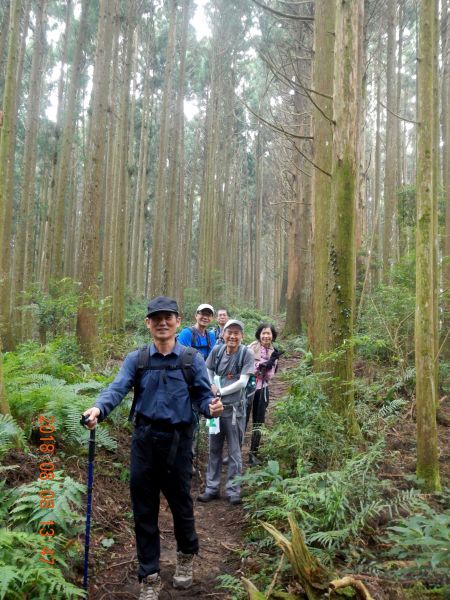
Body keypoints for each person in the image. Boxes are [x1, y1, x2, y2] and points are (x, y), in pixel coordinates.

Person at [82, 297, 223, 600]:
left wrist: (211, 408)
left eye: (167, 317)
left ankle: (186, 554)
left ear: (177, 320)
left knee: (181, 505)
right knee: (144, 511)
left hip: (179, 443)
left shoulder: (190, 359)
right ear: (147, 323)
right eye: (155, 318)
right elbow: (117, 388)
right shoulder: (138, 359)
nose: (162, 322)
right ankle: (150, 574)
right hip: (144, 442)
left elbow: (201, 395)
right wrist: (98, 409)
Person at [198, 319, 254, 505]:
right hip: (215, 410)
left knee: (234, 451)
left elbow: (243, 382)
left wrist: (221, 391)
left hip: (234, 411)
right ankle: (211, 488)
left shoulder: (246, 354)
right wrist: (211, 384)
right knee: (214, 449)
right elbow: (207, 369)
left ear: (242, 336)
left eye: (237, 333)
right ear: (223, 334)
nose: (232, 336)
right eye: (230, 332)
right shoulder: (218, 350)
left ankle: (233, 490)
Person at [246, 323, 282, 465]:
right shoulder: (251, 348)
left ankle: (253, 453)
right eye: (263, 333)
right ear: (259, 334)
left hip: (263, 389)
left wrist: (270, 362)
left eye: (269, 333)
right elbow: (247, 368)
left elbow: (270, 375)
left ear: (272, 336)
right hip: (248, 389)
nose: (266, 336)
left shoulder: (274, 351)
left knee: (258, 421)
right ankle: (234, 451)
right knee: (242, 420)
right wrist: (261, 366)